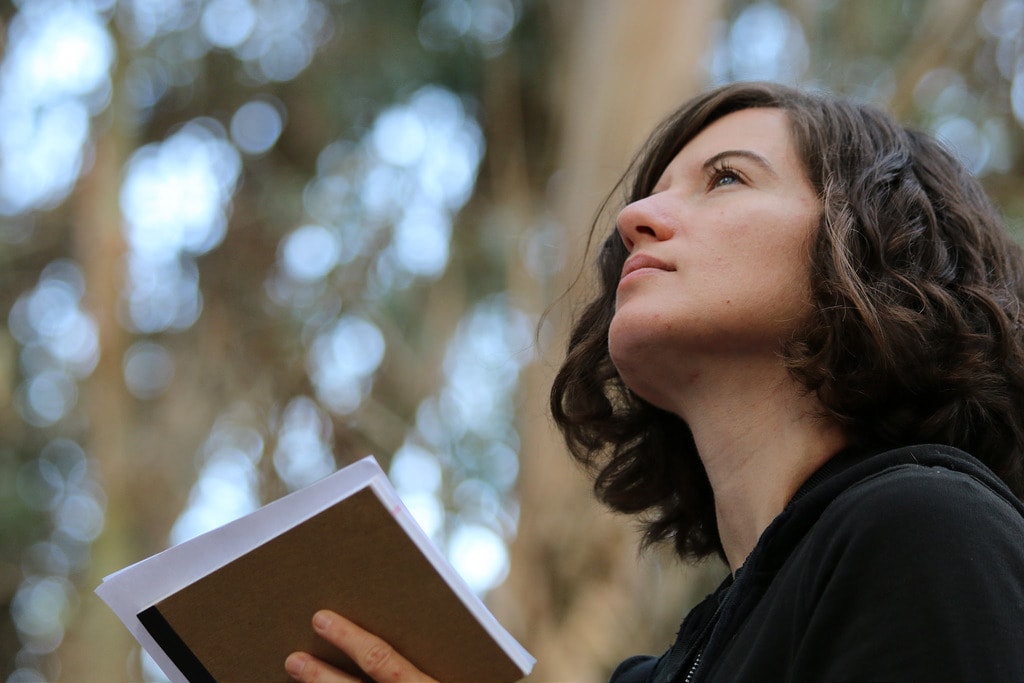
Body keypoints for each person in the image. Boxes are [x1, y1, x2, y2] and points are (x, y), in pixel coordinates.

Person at [284, 81, 1024, 682]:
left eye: (726, 178)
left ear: (872, 238)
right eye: (652, 192)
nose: (636, 215)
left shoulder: (929, 530)